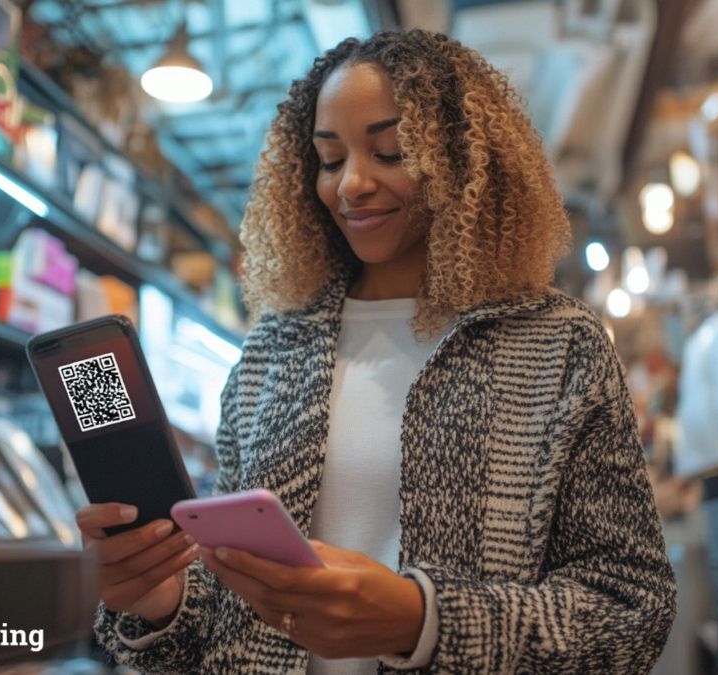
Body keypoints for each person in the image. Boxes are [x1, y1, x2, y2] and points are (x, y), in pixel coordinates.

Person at [79, 30, 677, 674]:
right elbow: (224, 626)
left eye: (390, 152)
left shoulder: (557, 346)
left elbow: (632, 611)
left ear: (464, 162)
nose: (352, 185)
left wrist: (423, 621)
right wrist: (158, 599)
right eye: (329, 160)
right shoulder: (272, 354)